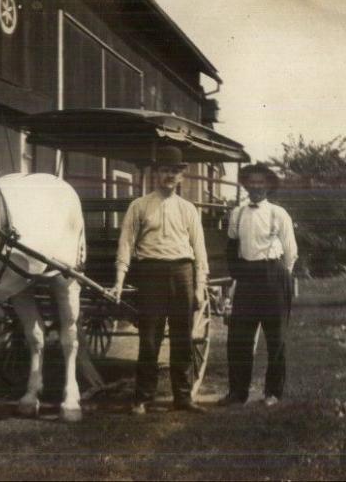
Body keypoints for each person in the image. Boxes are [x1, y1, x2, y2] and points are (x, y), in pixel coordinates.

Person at [111, 145, 209, 415]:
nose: (169, 175)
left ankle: (183, 397)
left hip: (182, 273)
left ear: (181, 176)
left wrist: (200, 287)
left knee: (182, 339)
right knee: (149, 339)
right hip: (151, 274)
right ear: (156, 173)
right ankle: (143, 397)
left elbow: (199, 251)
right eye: (164, 170)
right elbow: (126, 245)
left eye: (174, 171)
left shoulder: (189, 209)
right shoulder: (139, 206)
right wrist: (119, 280)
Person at [218, 163, 297, 407]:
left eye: (261, 182)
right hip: (247, 278)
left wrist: (280, 278)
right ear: (245, 185)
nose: (255, 186)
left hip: (273, 275)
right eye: (251, 181)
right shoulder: (237, 213)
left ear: (269, 185)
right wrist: (238, 274)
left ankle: (273, 392)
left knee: (276, 338)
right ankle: (237, 392)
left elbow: (290, 252)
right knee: (239, 337)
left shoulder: (279, 213)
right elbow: (232, 247)